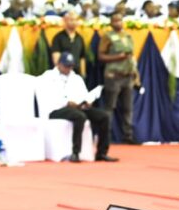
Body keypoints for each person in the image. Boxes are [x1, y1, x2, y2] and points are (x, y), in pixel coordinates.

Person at [40, 53, 117, 162]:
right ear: (59, 64)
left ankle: (101, 153)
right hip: (56, 109)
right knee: (79, 116)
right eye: (66, 66)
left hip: (77, 108)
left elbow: (84, 95)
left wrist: (87, 102)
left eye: (71, 66)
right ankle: (75, 153)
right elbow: (48, 97)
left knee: (104, 116)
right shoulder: (48, 77)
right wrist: (67, 102)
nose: (69, 69)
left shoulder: (76, 78)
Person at [99, 12, 138, 143]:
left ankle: (128, 136)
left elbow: (132, 57)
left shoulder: (128, 36)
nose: (118, 23)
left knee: (128, 108)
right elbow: (101, 56)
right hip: (113, 76)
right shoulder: (107, 37)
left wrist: (136, 74)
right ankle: (106, 136)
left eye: (120, 20)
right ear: (111, 23)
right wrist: (117, 57)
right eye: (115, 21)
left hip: (127, 76)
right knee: (110, 108)